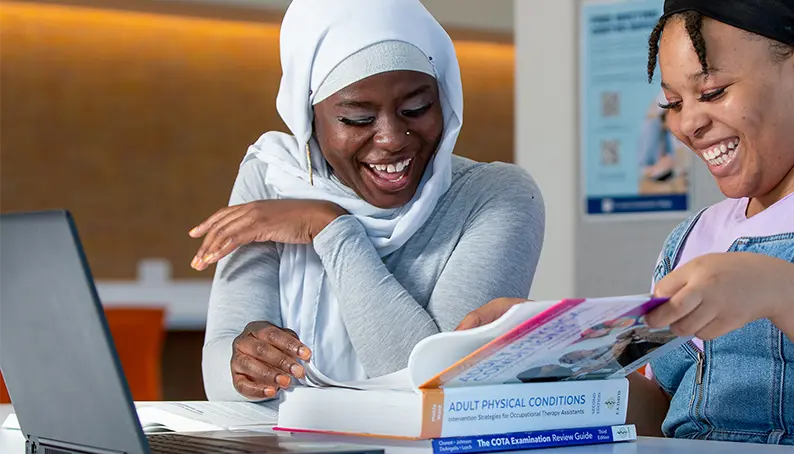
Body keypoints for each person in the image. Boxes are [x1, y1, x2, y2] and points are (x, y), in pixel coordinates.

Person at [458, 0, 794, 445]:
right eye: (673, 102)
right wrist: (557, 348)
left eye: (712, 92)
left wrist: (775, 290)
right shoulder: (690, 240)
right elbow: (664, 412)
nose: (688, 123)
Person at [190, 0, 545, 402]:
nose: (391, 138)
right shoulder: (273, 177)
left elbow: (433, 387)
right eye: (357, 119)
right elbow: (220, 375)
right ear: (309, 119)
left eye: (416, 108)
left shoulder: (495, 197)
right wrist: (245, 362)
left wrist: (330, 227)